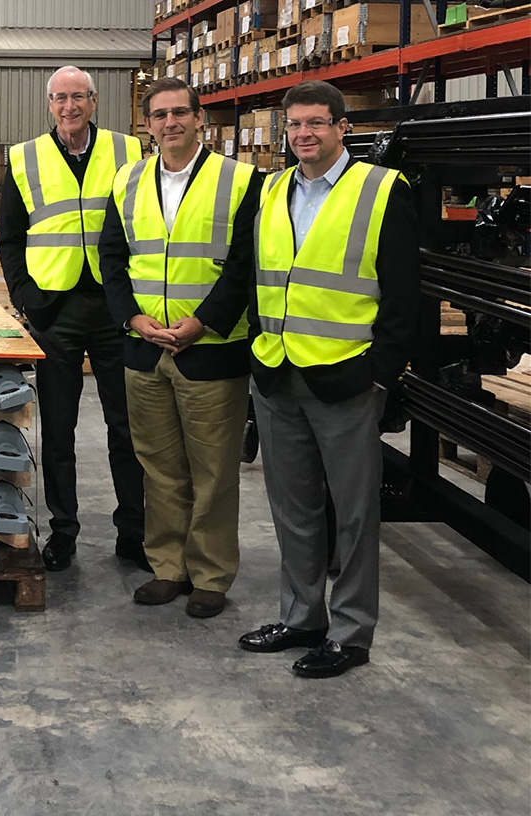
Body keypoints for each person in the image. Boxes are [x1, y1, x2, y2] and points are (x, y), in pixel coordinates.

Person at [239, 81, 419, 677]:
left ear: (344, 128)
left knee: (354, 513)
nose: (304, 134)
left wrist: (379, 377)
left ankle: (351, 633)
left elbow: (402, 298)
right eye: (294, 125)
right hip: (277, 371)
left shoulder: (382, 189)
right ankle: (301, 617)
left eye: (317, 123)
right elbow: (255, 278)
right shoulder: (268, 190)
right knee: (293, 509)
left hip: (347, 380)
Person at [100, 78, 262, 619]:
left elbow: (245, 266)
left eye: (180, 114)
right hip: (144, 347)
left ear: (200, 119)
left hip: (211, 349)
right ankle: (167, 567)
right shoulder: (128, 179)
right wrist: (131, 317)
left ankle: (211, 575)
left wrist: (204, 323)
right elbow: (113, 258)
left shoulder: (240, 180)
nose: (170, 123)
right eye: (159, 115)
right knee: (159, 466)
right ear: (146, 125)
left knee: (213, 469)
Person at [0, 65, 147, 572]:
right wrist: (27, 297)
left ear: (94, 100)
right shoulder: (24, 158)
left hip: (115, 307)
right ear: (49, 104)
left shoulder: (129, 152)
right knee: (57, 431)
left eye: (78, 97)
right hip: (54, 310)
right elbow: (9, 239)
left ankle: (134, 531)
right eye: (59, 98)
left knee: (126, 427)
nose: (69, 107)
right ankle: (64, 531)